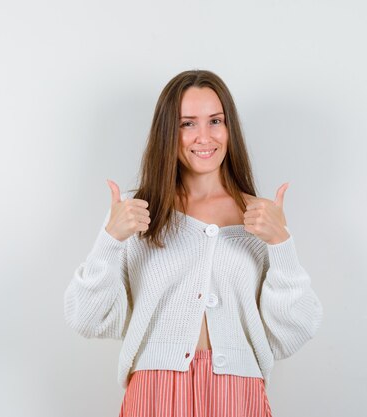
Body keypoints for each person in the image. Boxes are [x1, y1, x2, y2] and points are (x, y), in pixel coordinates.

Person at [63, 69, 323, 417]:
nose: (204, 136)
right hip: (154, 393)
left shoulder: (260, 217)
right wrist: (110, 240)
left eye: (215, 120)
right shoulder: (137, 212)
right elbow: (86, 317)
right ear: (169, 133)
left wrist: (281, 243)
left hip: (238, 393)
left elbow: (292, 332)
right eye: (188, 123)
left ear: (230, 128)